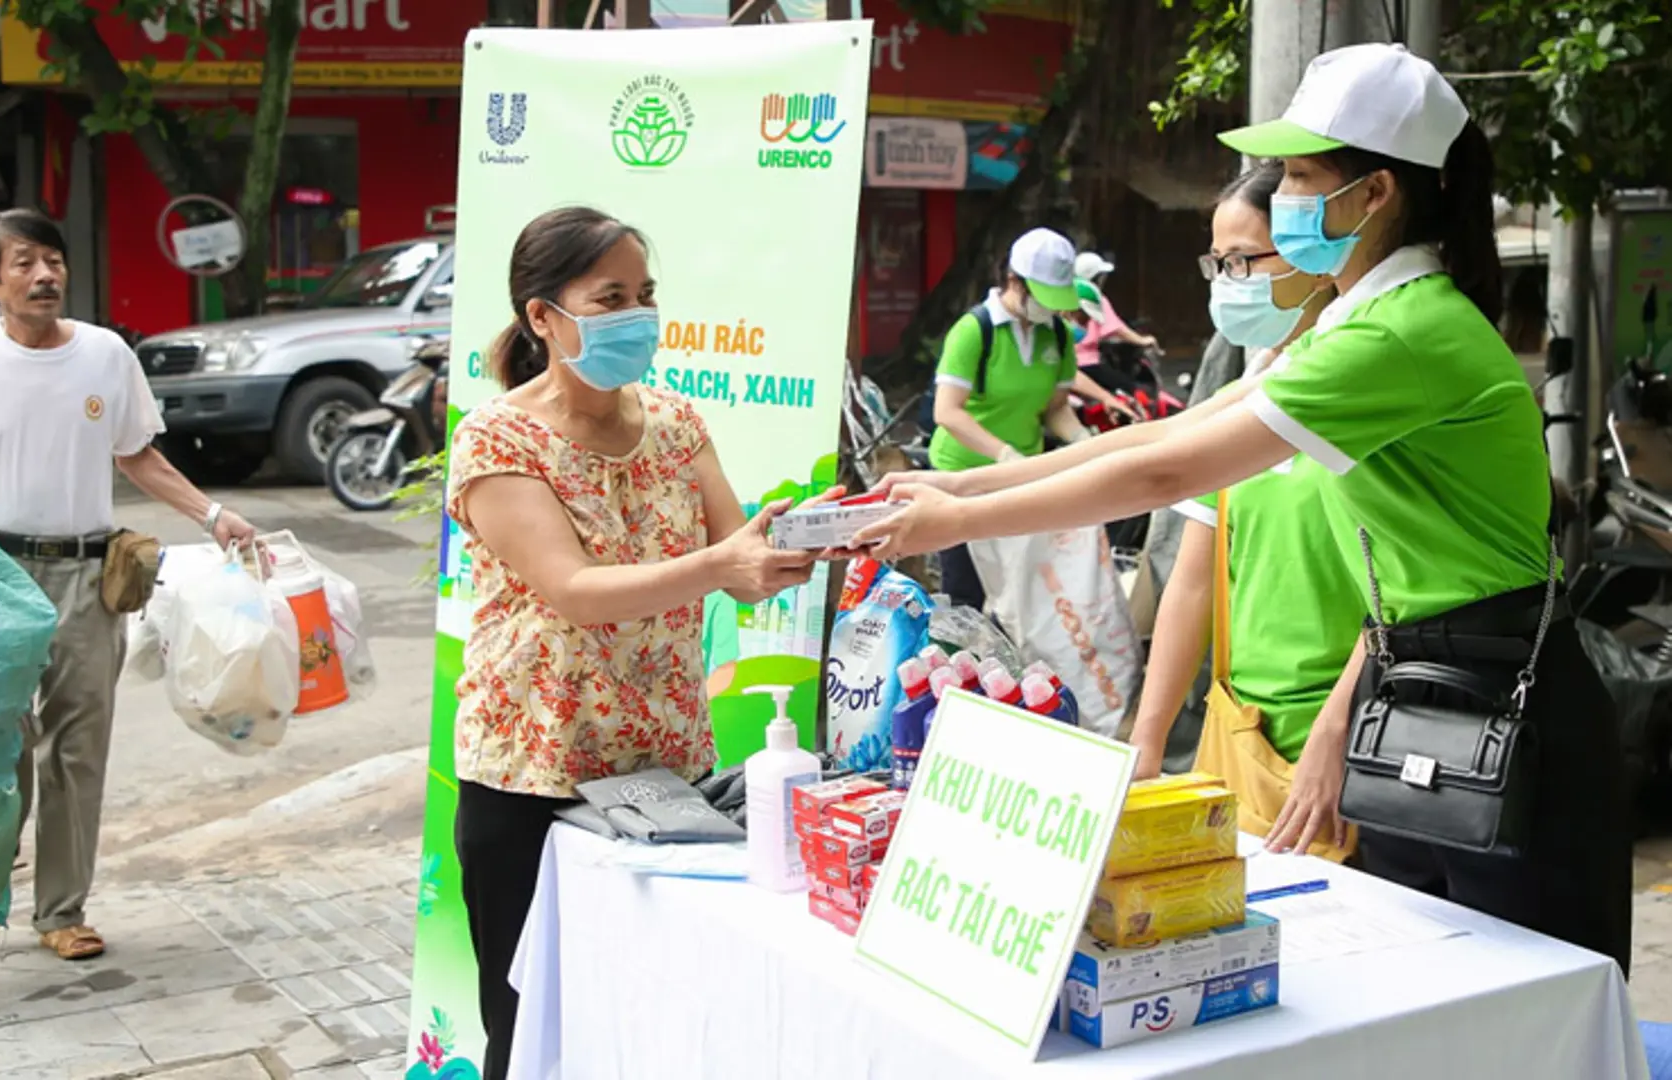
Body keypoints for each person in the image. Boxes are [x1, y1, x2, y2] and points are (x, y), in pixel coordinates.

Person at [857, 43, 1630, 971]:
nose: (1289, 196)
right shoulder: (1350, 325)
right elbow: (1157, 439)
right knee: (1420, 994)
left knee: (1523, 1008)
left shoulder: (1402, 332)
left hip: (1504, 705)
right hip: (1422, 685)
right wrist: (961, 485)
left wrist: (958, 521)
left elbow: (1163, 477)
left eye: (1303, 176)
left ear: (1376, 192)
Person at [445, 206, 832, 1078]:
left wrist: (798, 547)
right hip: (533, 779)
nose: (638, 315)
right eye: (610, 296)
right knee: (530, 1025)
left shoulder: (674, 420)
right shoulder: (495, 439)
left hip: (663, 774)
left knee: (651, 1020)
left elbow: (735, 545)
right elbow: (576, 592)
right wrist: (724, 564)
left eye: (645, 295)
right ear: (543, 317)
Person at [0, 208, 258, 960]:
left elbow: (138, 456)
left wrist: (215, 514)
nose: (44, 275)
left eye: (52, 260)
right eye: (22, 263)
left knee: (77, 748)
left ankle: (61, 911)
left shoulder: (105, 355)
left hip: (90, 574)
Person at [1130, 162, 1361, 860]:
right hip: (1239, 737)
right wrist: (1145, 741)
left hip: (1346, 739)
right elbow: (1193, 584)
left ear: (1312, 258)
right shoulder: (1250, 381)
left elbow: (1407, 592)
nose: (1228, 283)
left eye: (1243, 261)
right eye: (1218, 263)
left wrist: (1336, 731)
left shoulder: (1366, 382)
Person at [927, 227, 1133, 610]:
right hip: (962, 476)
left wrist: (1084, 443)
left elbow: (1055, 408)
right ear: (1013, 281)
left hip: (1023, 481)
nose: (1050, 308)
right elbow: (947, 412)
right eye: (1042, 296)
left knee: (1025, 596)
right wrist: (1004, 454)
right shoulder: (974, 332)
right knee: (965, 598)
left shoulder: (1056, 335)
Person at [1072, 250, 1159, 368]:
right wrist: (1142, 340)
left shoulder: (1068, 296)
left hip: (1070, 361)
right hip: (1088, 361)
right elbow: (1115, 328)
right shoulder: (1097, 299)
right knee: (1130, 387)